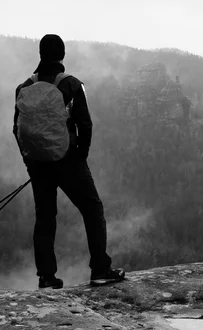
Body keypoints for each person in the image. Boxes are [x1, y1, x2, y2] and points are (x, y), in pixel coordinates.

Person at [13, 34, 124, 289]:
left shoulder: (23, 88)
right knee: (92, 209)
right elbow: (85, 125)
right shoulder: (72, 85)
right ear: (62, 55)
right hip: (68, 161)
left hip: (38, 163)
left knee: (45, 217)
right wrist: (77, 158)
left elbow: (16, 129)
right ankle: (100, 269)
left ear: (40, 55)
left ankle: (46, 277)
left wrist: (31, 159)